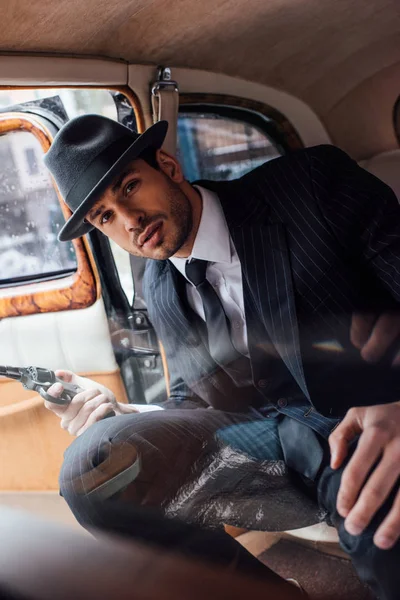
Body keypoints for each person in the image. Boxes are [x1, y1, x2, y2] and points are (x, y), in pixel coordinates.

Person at [43, 114, 400, 599]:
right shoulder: (160, 286)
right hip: (262, 446)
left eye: (129, 187)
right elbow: (195, 400)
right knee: (95, 466)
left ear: (167, 166)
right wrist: (124, 413)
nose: (129, 221)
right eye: (105, 217)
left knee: (384, 531)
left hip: (363, 420)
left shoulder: (309, 184)